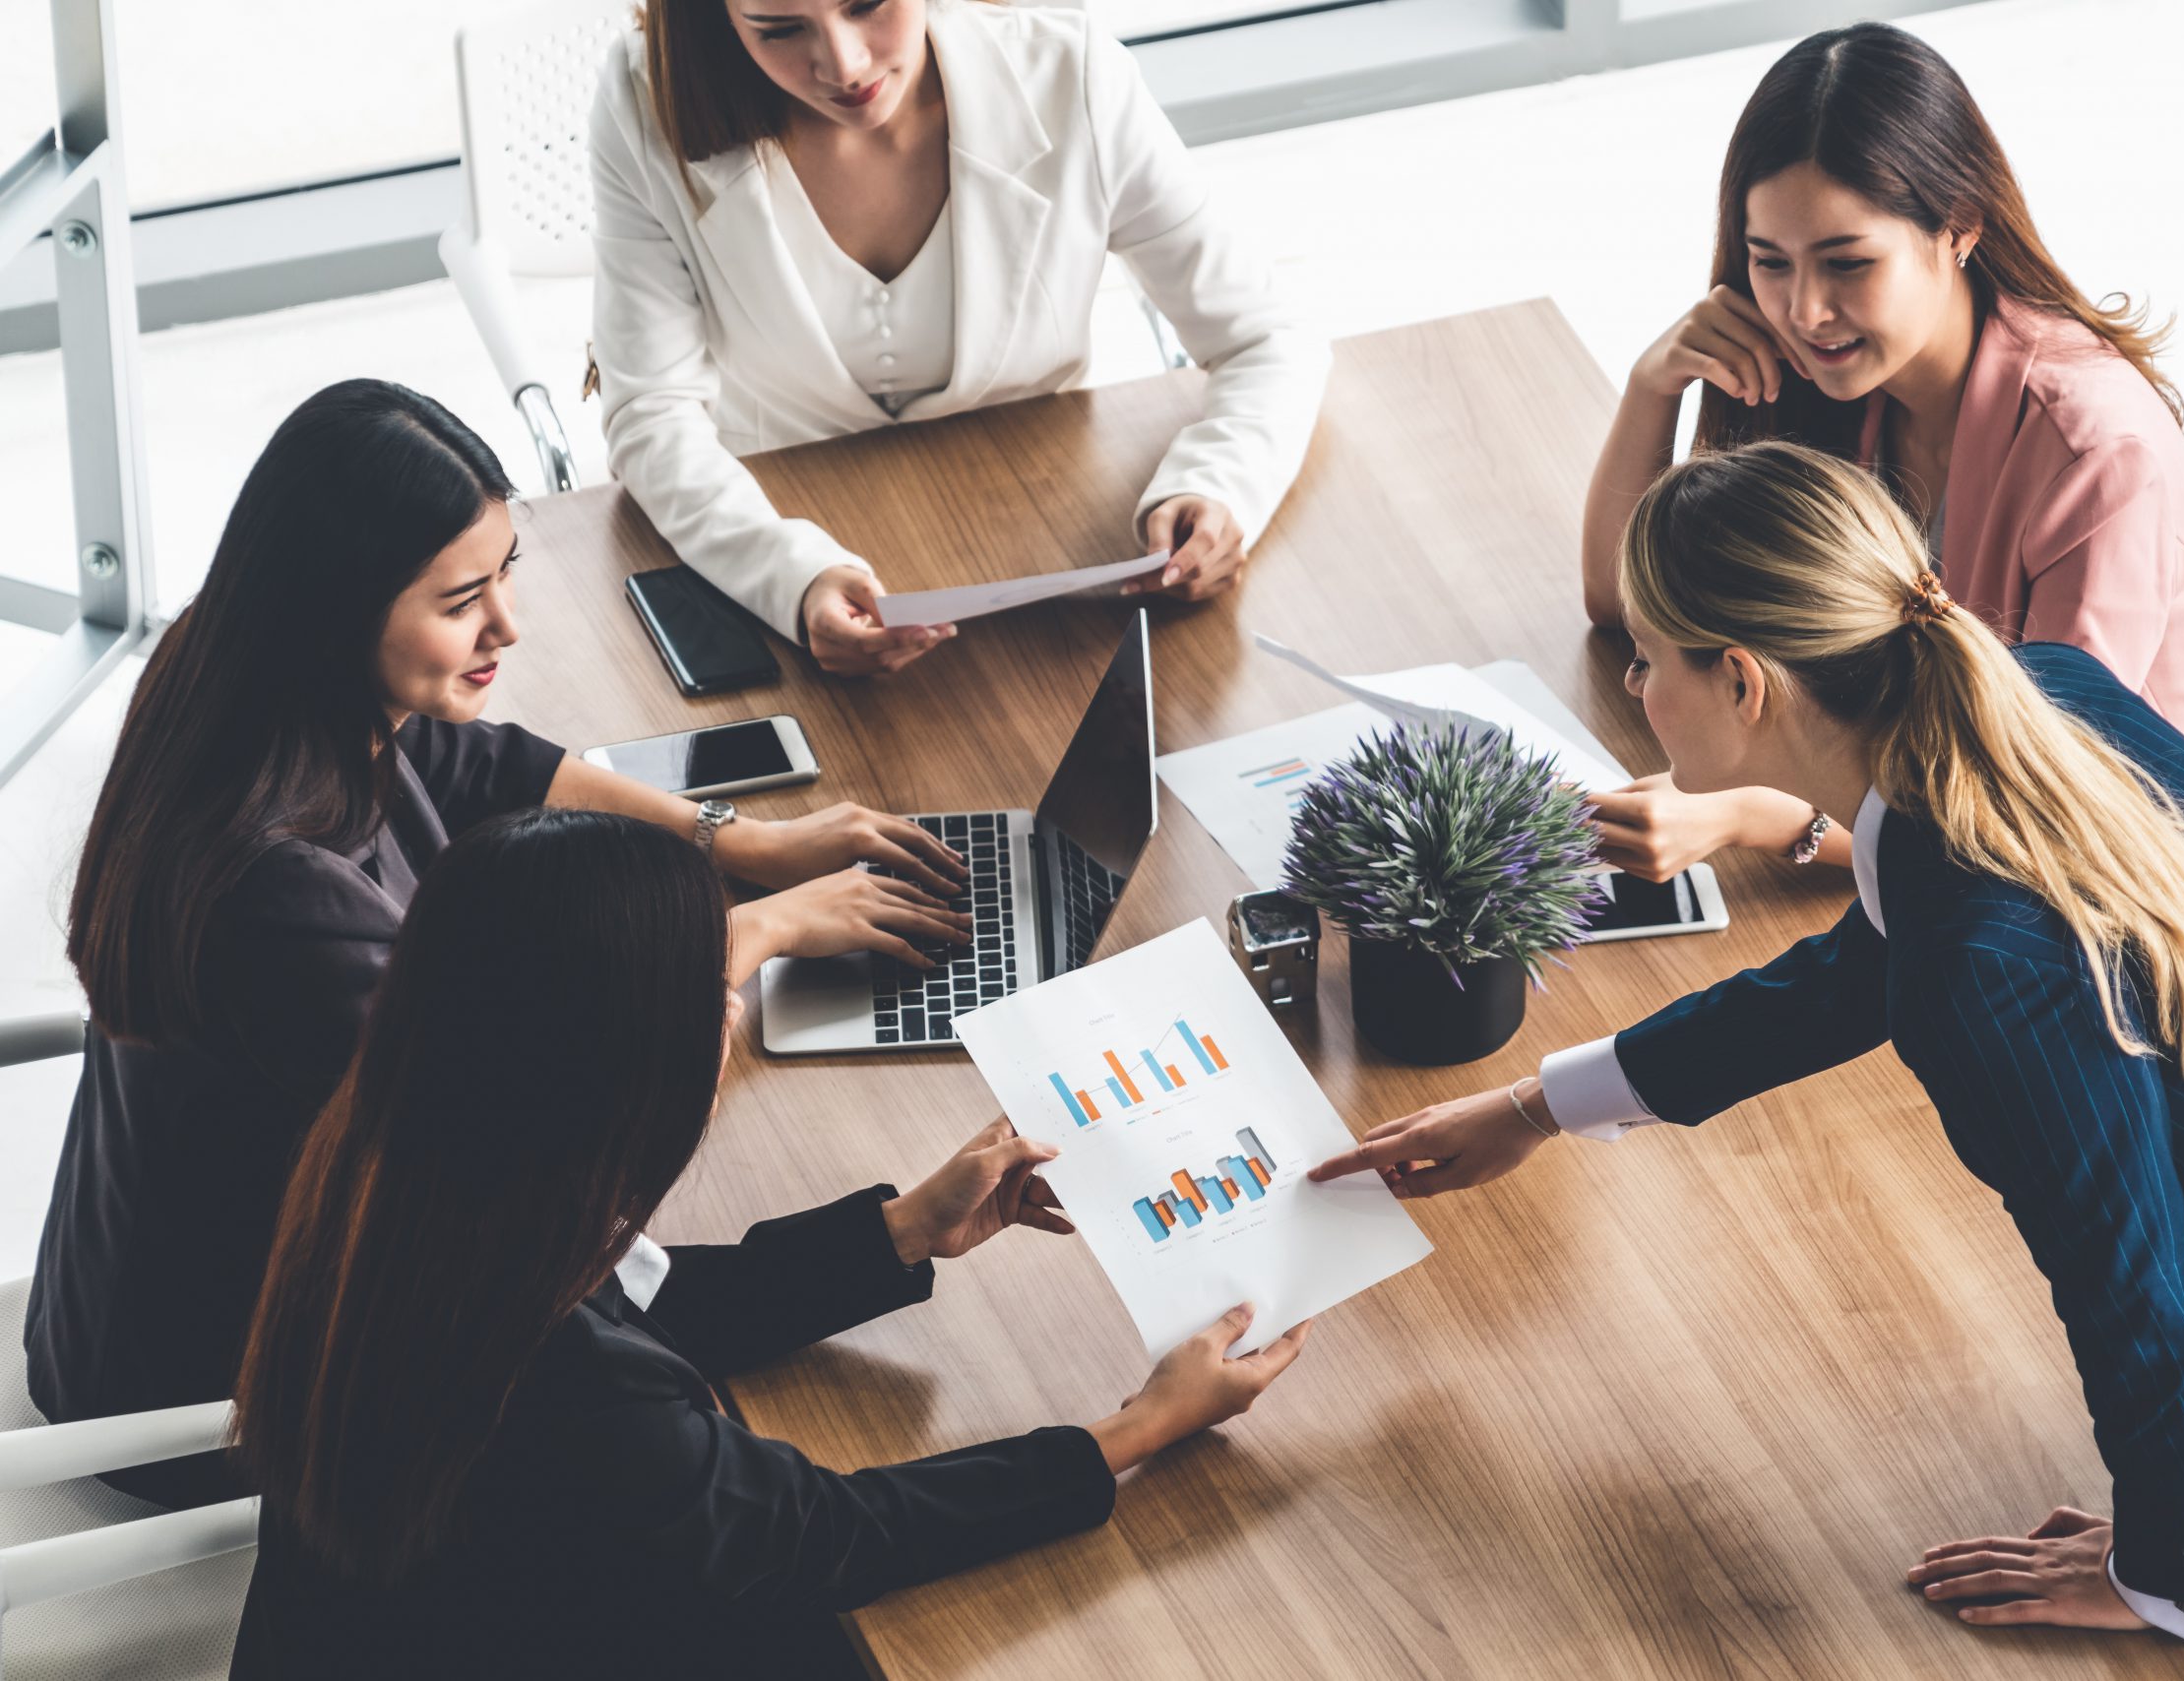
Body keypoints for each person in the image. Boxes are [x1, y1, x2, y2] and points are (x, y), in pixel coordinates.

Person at [1316, 442, 2184, 1652]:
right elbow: (1864, 964)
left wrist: (2159, 1565)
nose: (1633, 683)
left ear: (1743, 680)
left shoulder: (1979, 958)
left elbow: (2123, 1276)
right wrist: (1536, 1107)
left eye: (1646, 657)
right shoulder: (2040, 696)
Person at [30, 379, 972, 1509]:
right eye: (462, 597)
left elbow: (486, 767)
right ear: (339, 607)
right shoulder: (279, 899)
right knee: (711, 1475)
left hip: (131, 1297)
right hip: (221, 1401)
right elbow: (553, 1138)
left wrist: (739, 841)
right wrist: (748, 934)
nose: (507, 625)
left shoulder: (247, 688)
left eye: (506, 571)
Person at [225, 807, 1307, 1677]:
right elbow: (826, 1537)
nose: (734, 1012)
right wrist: (1136, 1428)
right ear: (617, 1059)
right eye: (711, 992)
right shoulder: (574, 1385)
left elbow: (651, 1306)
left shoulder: (401, 1175)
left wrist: (905, 1228)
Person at [1577, 22, 2184, 882]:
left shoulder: (2097, 454)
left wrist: (1763, 815)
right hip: (1945, 865)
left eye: (1846, 264)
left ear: (1958, 230)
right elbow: (1624, 606)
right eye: (1771, 263)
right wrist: (1655, 387)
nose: (1804, 311)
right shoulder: (1829, 389)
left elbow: (2035, 801)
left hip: (2168, 898)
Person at [591, 0, 1330, 675]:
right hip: (778, 550)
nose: (844, 64)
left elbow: (1266, 335)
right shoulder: (642, 102)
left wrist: (1220, 483)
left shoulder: (1071, 76)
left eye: (866, 4)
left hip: (1050, 571)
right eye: (779, 28)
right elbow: (652, 413)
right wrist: (789, 576)